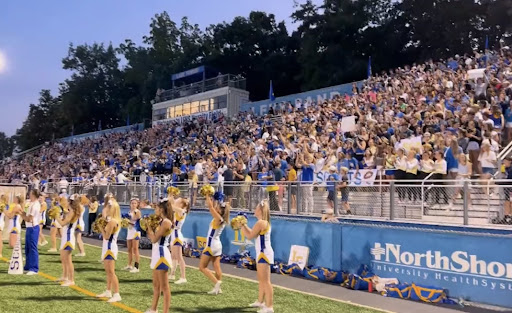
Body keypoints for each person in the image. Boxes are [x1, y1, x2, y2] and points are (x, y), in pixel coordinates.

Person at [241, 200, 274, 313]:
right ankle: (260, 301)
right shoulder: (262, 223)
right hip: (262, 253)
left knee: (266, 281)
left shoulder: (261, 223)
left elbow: (249, 236)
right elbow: (253, 234)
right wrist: (242, 225)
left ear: (260, 210)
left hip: (264, 253)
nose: (254, 210)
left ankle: (269, 306)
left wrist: (242, 224)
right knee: (261, 280)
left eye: (256, 208)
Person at [145, 200, 174, 313]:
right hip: (156, 254)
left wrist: (148, 227)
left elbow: (154, 239)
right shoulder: (161, 221)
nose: (155, 210)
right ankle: (153, 309)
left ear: (161, 209)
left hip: (162, 255)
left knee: (165, 287)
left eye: (156, 208)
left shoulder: (166, 222)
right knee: (156, 285)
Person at [199, 193, 230, 295]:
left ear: (220, 211)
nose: (216, 207)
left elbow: (210, 207)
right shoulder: (222, 219)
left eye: (218, 207)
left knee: (202, 267)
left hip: (211, 245)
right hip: (217, 245)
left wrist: (207, 194)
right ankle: (218, 289)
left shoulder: (218, 218)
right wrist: (215, 199)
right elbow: (213, 206)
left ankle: (217, 283)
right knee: (217, 267)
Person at [96, 198, 122, 303]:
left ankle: (117, 294)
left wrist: (100, 227)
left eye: (109, 207)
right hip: (107, 247)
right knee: (108, 272)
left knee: (111, 272)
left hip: (110, 248)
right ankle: (108, 291)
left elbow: (106, 237)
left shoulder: (112, 222)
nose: (106, 208)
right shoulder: (112, 220)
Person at [54, 194, 80, 286]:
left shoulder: (72, 212)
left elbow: (62, 223)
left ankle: (71, 280)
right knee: (63, 258)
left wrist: (56, 216)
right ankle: (65, 276)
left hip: (68, 236)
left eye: (69, 201)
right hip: (65, 235)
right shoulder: (70, 211)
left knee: (68, 260)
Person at [20, 189, 41, 275]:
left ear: (34, 195)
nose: (29, 195)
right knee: (27, 248)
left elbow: (29, 219)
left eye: (30, 194)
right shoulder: (31, 203)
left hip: (33, 227)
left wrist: (21, 214)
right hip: (29, 228)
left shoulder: (35, 205)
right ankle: (28, 266)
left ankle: (34, 268)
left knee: (32, 248)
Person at [169, 197, 190, 284]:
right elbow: (172, 203)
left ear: (182, 204)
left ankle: (183, 277)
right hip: (173, 235)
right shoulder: (178, 211)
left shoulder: (182, 211)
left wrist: (172, 199)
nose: (176, 202)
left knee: (179, 257)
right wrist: (171, 195)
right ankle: (172, 274)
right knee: (173, 256)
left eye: (179, 202)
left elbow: (171, 205)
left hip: (177, 236)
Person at [125, 197, 141, 273]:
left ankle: (136, 267)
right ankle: (129, 265)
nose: (133, 205)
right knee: (129, 249)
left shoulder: (137, 212)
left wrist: (126, 221)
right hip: (130, 231)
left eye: (135, 203)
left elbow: (134, 221)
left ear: (137, 204)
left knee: (135, 249)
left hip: (136, 231)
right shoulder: (129, 212)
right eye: (132, 203)